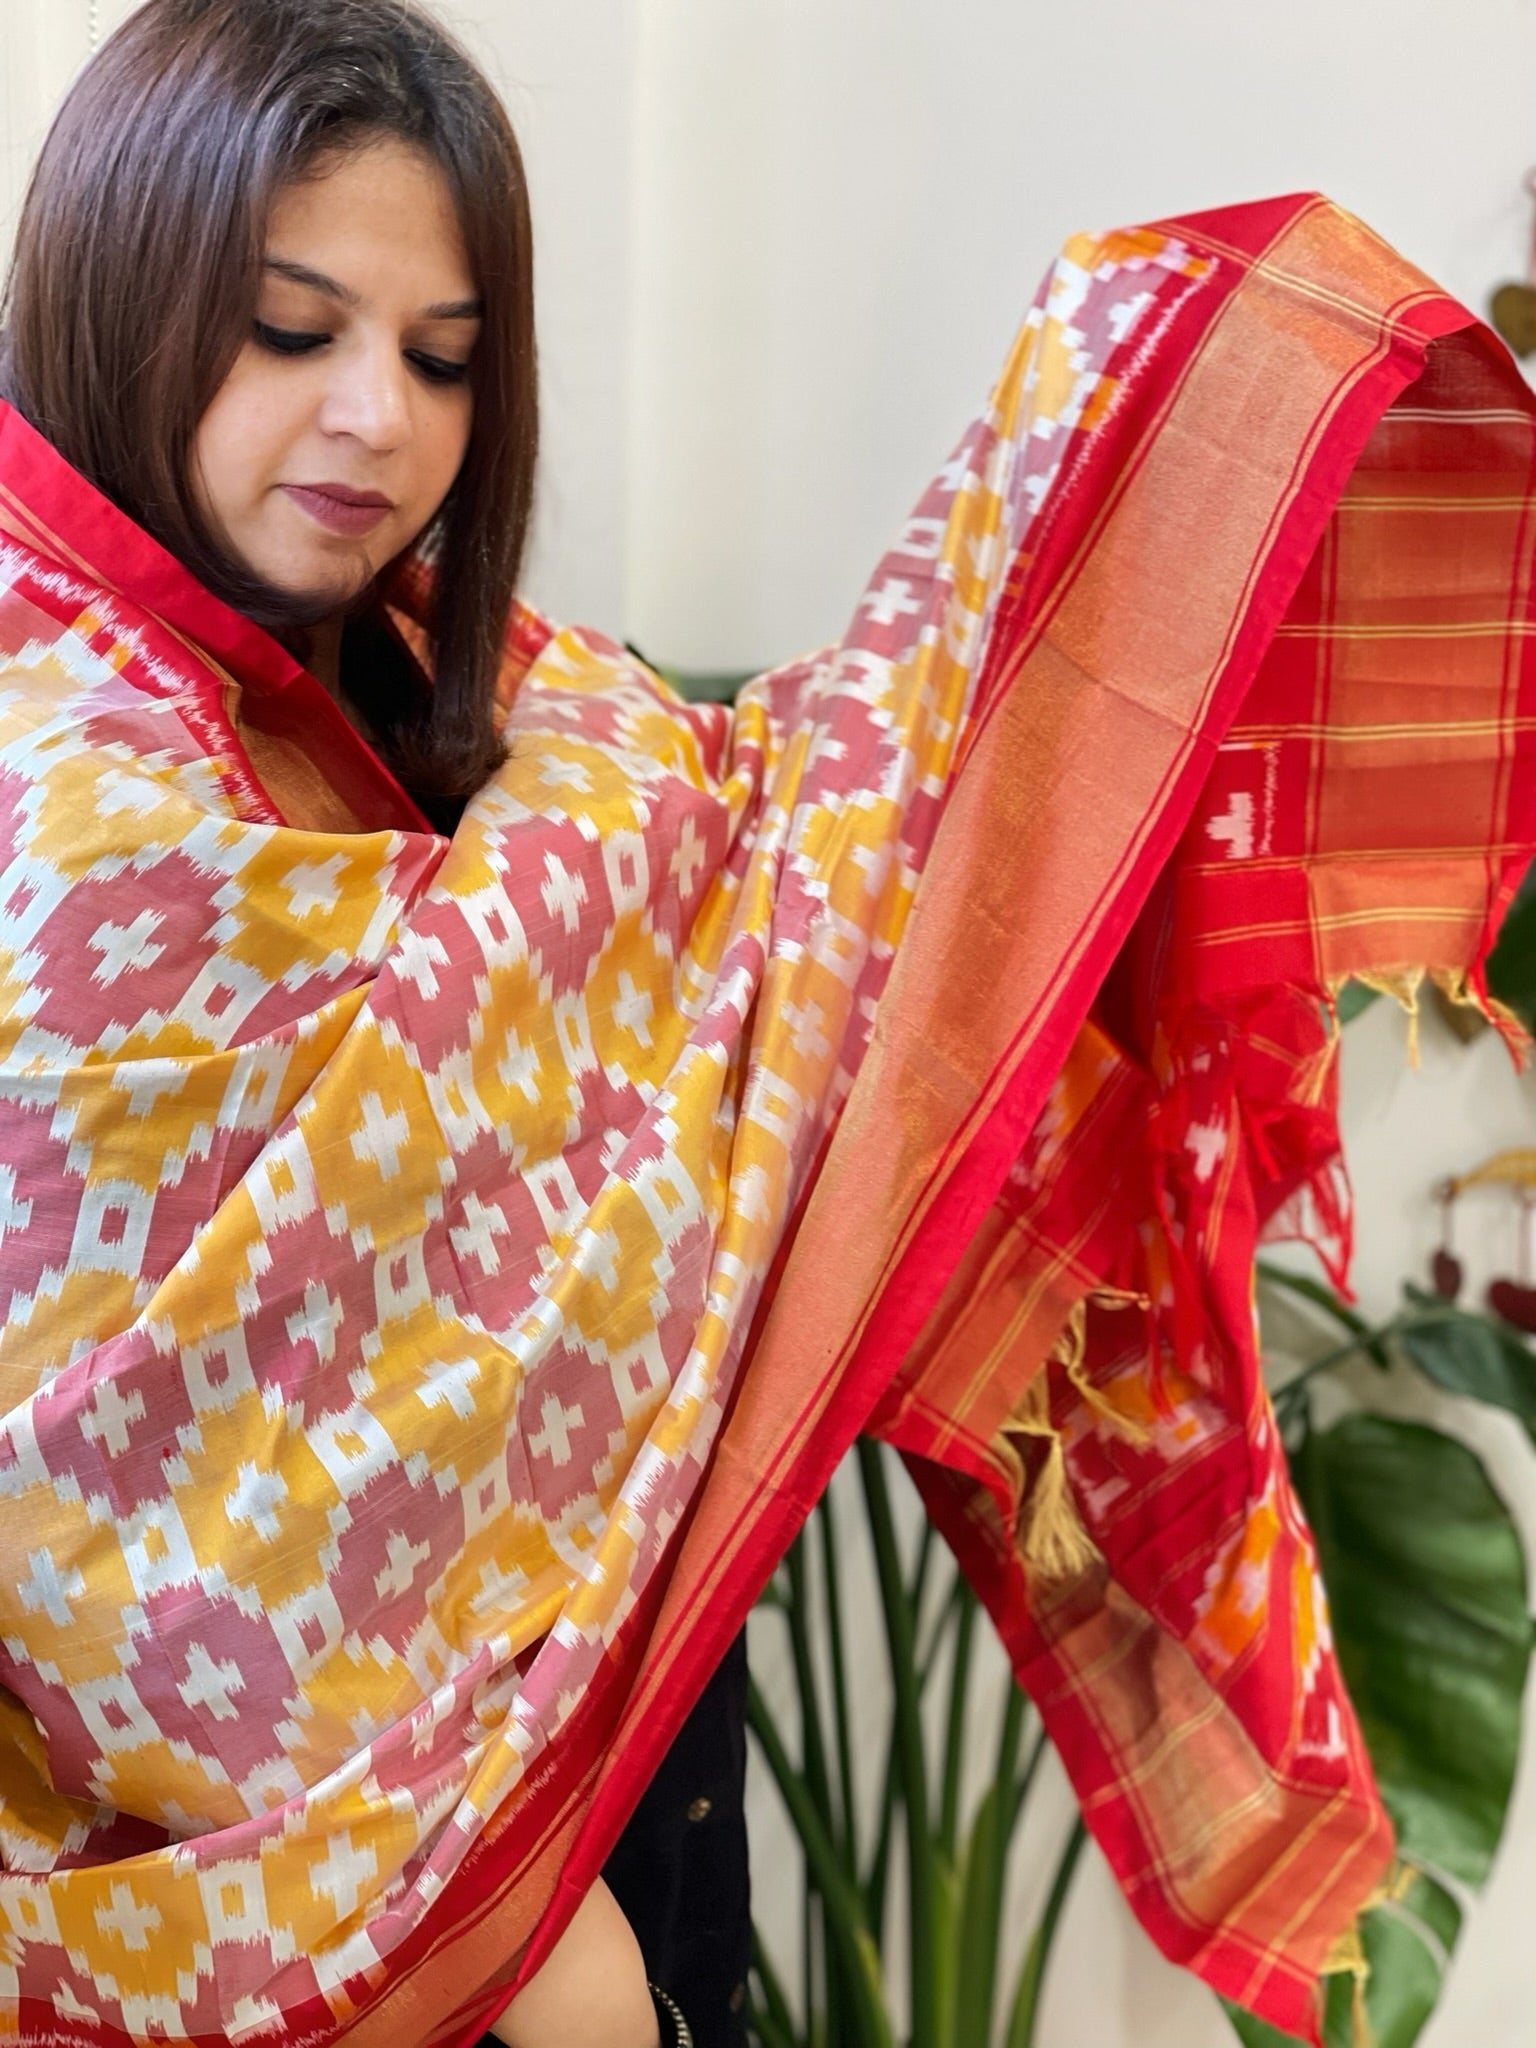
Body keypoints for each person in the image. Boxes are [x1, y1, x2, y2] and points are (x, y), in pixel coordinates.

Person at [3, 7, 1536, 2048]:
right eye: (296, 329)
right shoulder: (50, 789)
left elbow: (837, 877)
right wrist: (526, 1950)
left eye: (446, 355)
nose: (378, 416)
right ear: (124, 287)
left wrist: (1160, 426)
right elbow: (96, 1478)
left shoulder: (533, 733)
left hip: (633, 1804)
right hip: (276, 1949)